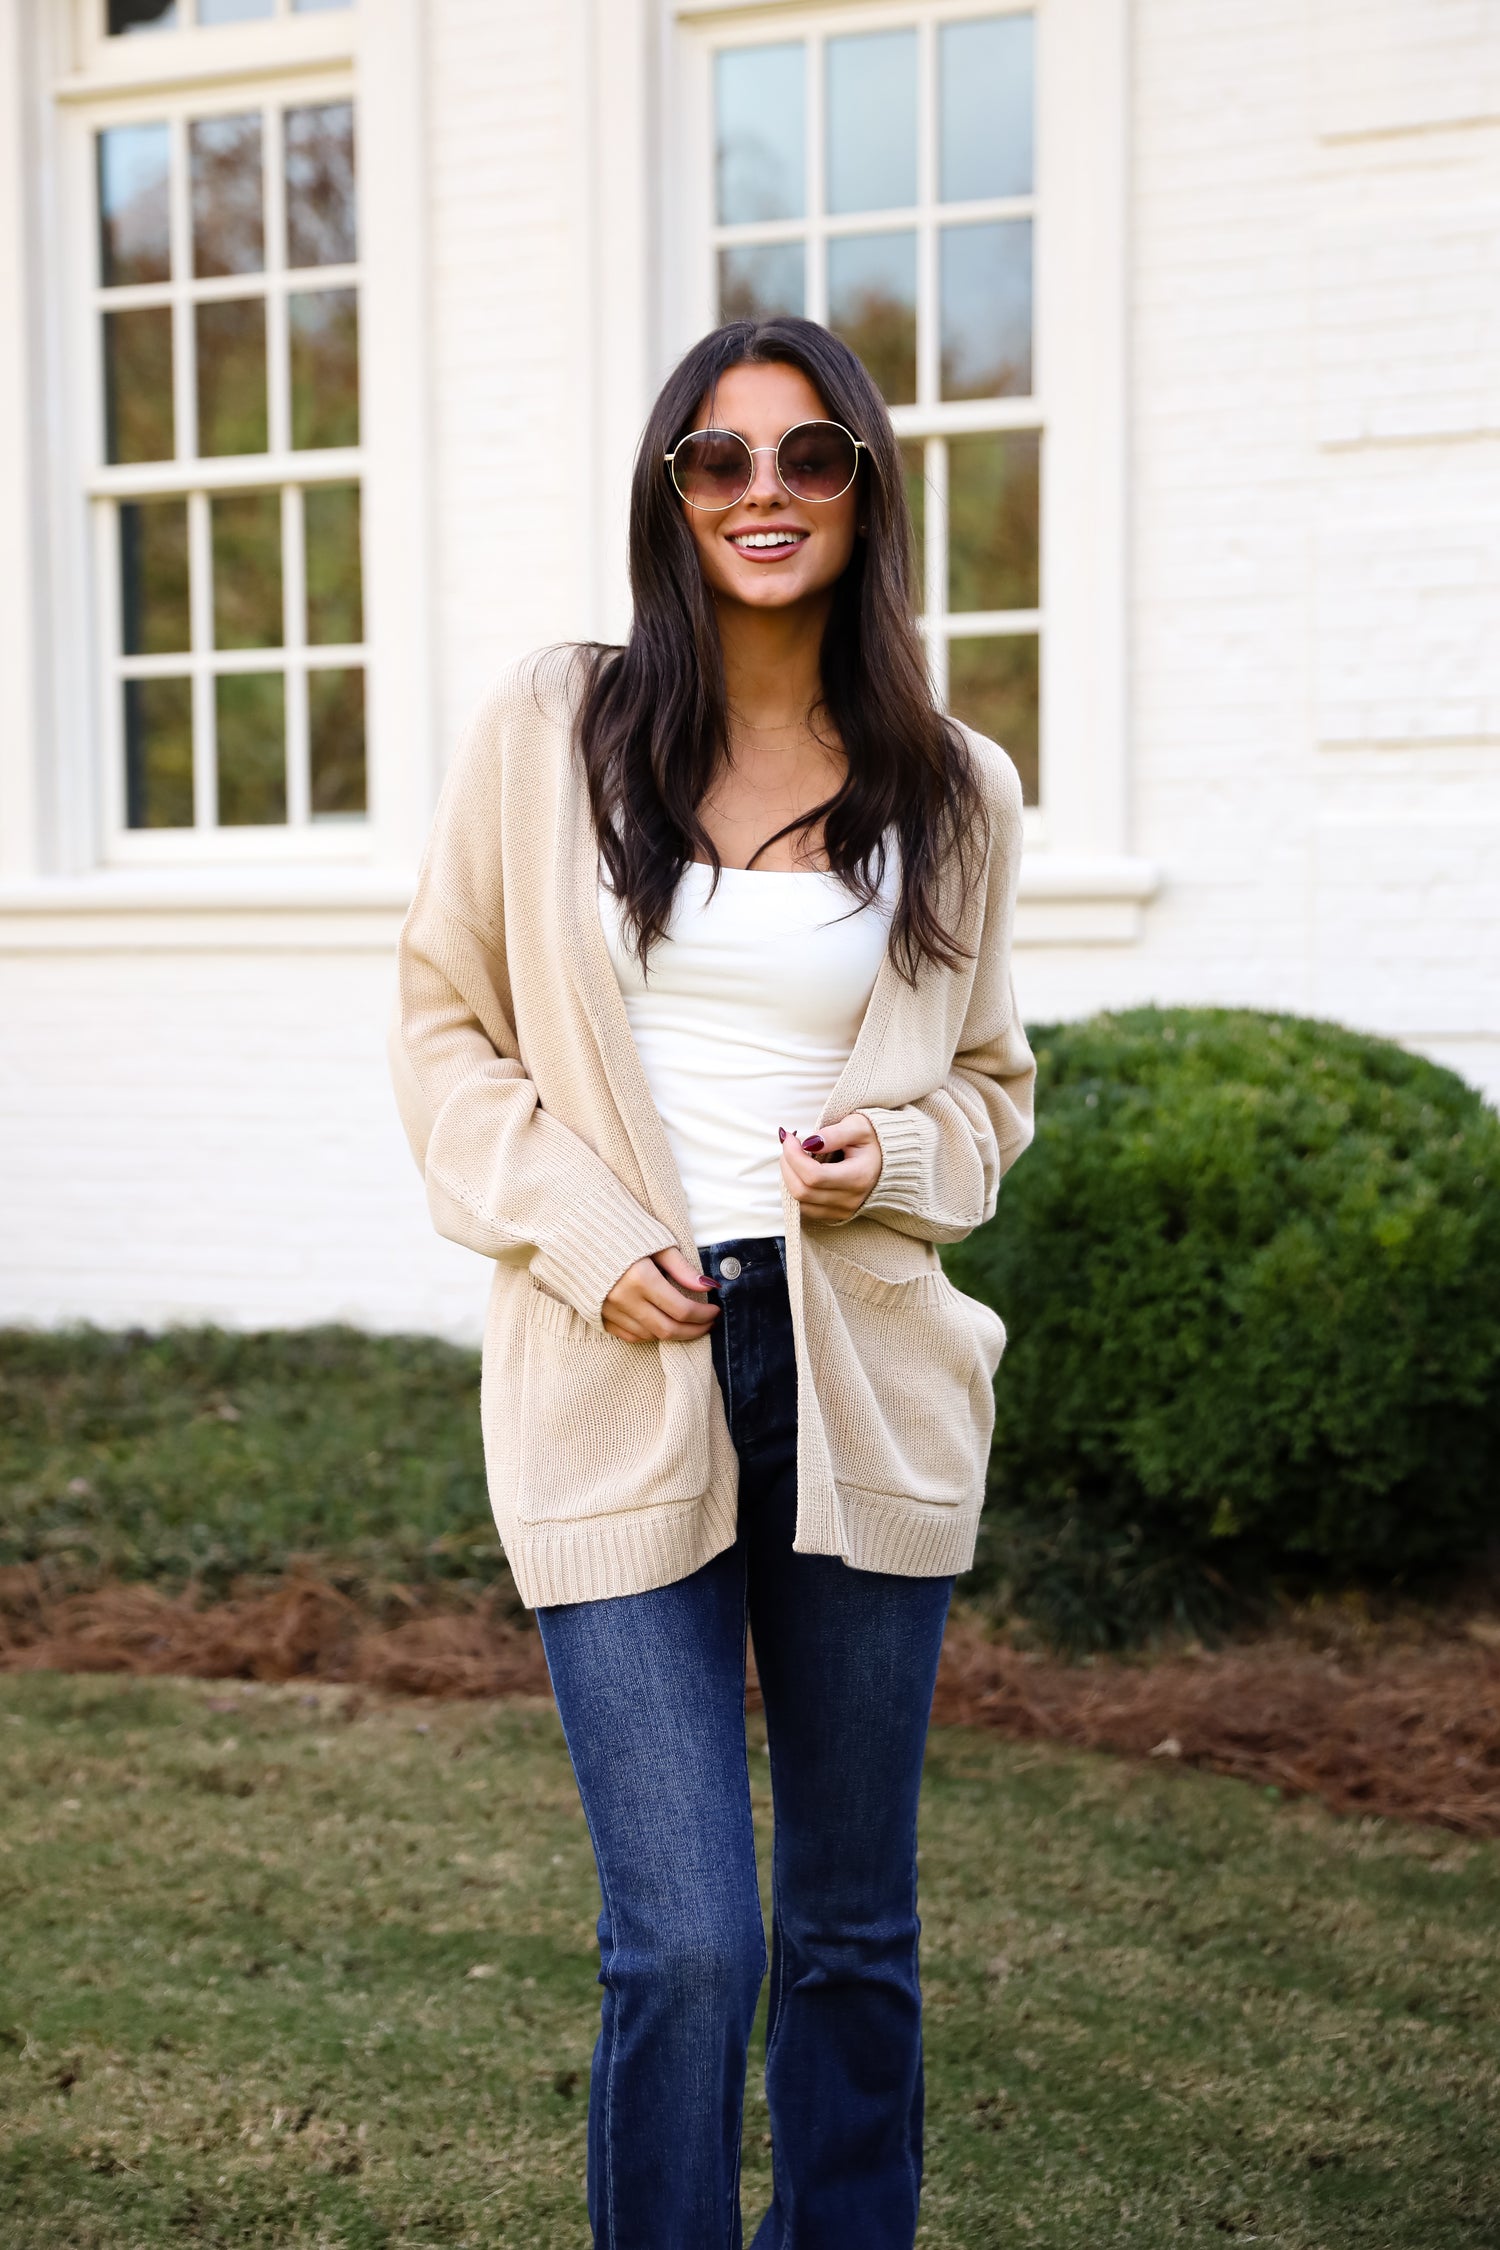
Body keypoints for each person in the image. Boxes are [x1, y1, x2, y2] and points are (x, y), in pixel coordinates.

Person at [390, 315, 1034, 2250]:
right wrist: (590, 1242)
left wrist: (892, 1158)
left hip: (860, 1375)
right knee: (683, 1938)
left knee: (850, 1928)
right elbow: (444, 1033)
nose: (767, 493)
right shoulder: (554, 726)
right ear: (671, 492)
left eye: (811, 455)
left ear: (866, 488)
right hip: (621, 1359)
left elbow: (992, 1096)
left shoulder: (957, 786)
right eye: (722, 459)